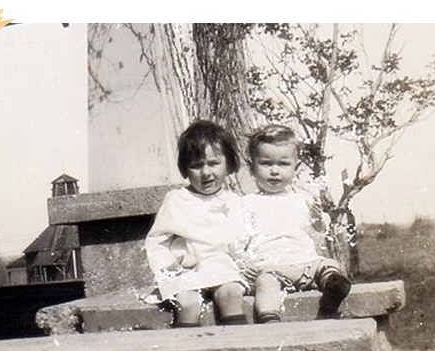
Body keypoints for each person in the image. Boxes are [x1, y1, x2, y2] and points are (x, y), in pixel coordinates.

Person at [234, 124, 351, 322]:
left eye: (283, 164)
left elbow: (319, 235)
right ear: (252, 168)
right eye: (266, 164)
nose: (274, 171)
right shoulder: (247, 203)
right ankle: (269, 316)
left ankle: (332, 294)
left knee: (329, 265)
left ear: (296, 168)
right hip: (271, 267)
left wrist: (318, 221)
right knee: (265, 283)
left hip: (306, 263)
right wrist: (244, 263)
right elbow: (238, 239)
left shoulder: (304, 200)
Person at [144, 120, 247, 327]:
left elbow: (242, 239)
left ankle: (237, 342)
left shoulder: (233, 201)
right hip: (185, 267)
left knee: (231, 293)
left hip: (220, 265)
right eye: (196, 166)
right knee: (188, 302)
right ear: (185, 170)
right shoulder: (177, 200)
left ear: (228, 164)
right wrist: (170, 265)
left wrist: (245, 264)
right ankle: (188, 344)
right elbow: (156, 241)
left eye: (214, 163)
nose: (206, 173)